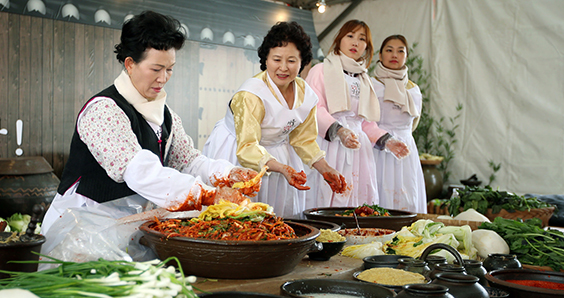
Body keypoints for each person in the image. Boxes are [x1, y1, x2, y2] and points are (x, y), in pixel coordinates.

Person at [41, 11, 258, 237]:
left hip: (126, 225)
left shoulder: (166, 115)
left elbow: (188, 162)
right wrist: (206, 194)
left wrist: (229, 173)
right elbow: (140, 171)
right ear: (130, 64)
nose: (163, 78)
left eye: (170, 69)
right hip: (82, 227)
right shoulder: (104, 110)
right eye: (156, 69)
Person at [203, 21, 345, 218]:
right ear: (266, 59)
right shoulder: (251, 94)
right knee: (237, 216)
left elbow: (303, 140)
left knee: (275, 217)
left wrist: (326, 169)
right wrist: (281, 168)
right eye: (277, 59)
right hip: (239, 151)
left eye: (292, 61)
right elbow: (247, 147)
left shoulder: (306, 95)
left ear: (302, 61)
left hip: (279, 152)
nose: (283, 68)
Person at [304, 20, 409, 209]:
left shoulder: (364, 79)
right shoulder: (320, 70)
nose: (355, 43)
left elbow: (366, 123)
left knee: (358, 203)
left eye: (362, 39)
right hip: (329, 144)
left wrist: (388, 141)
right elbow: (313, 109)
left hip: (359, 150)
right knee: (328, 198)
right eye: (350, 36)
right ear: (339, 40)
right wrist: (340, 131)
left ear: (367, 46)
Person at [372, 35, 426, 213]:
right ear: (380, 55)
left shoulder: (413, 89)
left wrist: (402, 138)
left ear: (406, 56)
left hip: (406, 148)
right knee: (380, 192)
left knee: (407, 194)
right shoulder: (371, 85)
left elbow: (414, 123)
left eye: (400, 50)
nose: (394, 54)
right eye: (389, 50)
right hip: (378, 148)